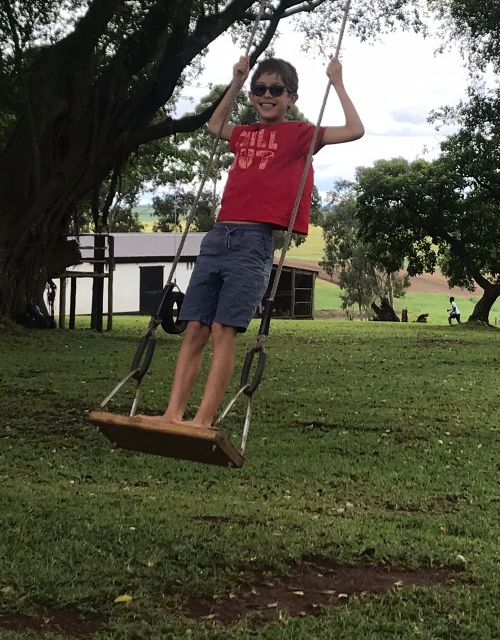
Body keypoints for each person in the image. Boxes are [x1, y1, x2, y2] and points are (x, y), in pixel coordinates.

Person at [143, 53, 364, 429]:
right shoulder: (244, 133)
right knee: (194, 327)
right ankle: (172, 414)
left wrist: (338, 83)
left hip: (253, 241)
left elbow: (355, 129)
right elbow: (215, 125)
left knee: (223, 329)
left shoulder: (300, 134)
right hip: (218, 236)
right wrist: (236, 81)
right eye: (260, 89)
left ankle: (202, 420)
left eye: (276, 90)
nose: (266, 95)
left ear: (291, 98)